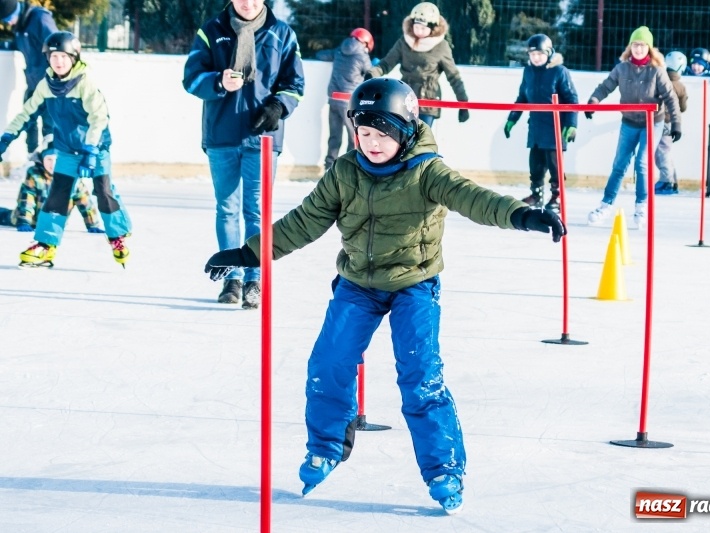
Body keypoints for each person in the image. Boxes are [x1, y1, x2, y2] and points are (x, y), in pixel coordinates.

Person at [202, 78, 566, 514]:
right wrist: (249, 253)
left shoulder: (427, 171)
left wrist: (524, 216)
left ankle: (445, 469)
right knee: (328, 363)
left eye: (382, 133)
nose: (371, 143)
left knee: (420, 375)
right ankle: (326, 446)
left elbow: (475, 199)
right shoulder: (346, 172)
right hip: (358, 283)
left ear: (405, 131)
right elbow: (305, 221)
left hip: (414, 284)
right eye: (364, 132)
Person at [183, 0, 304, 309]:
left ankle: (254, 279)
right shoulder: (212, 30)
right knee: (227, 208)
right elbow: (191, 78)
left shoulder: (281, 33)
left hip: (262, 138)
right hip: (221, 135)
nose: (247, 3)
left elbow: (295, 84)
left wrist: (278, 106)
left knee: (257, 210)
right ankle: (231, 278)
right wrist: (218, 82)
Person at [0, 31, 132, 269]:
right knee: (57, 195)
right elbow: (27, 113)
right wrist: (7, 137)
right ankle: (45, 244)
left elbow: (99, 117)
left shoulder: (84, 82)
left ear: (73, 57)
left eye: (63, 56)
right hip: (67, 149)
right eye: (53, 56)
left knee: (103, 191)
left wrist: (91, 150)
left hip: (96, 147)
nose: (58, 61)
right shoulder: (46, 85)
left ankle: (117, 237)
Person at [584, 26, 681, 229]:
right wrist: (593, 101)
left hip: (652, 122)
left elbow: (671, 97)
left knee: (642, 163)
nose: (638, 49)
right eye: (635, 45)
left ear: (649, 48)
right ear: (630, 47)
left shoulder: (657, 71)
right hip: (629, 122)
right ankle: (605, 205)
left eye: (643, 45)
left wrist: (676, 124)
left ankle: (641, 206)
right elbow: (605, 86)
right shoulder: (622, 68)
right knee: (619, 164)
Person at [503, 33, 579, 213]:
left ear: (549, 53)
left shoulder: (559, 71)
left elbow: (572, 99)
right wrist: (512, 119)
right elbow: (522, 98)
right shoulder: (528, 72)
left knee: (555, 166)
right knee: (535, 165)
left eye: (540, 54)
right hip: (536, 128)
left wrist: (572, 124)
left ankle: (557, 196)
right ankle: (536, 195)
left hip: (555, 129)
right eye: (532, 54)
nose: (536, 58)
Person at [365, 2, 469, 127]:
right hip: (405, 98)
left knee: (421, 137)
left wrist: (463, 103)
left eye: (423, 28)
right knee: (403, 137)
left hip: (428, 102)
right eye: (416, 27)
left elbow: (453, 76)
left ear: (433, 28)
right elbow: (386, 64)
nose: (419, 31)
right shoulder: (404, 42)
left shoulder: (441, 46)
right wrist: (372, 74)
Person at [0, 137, 103, 233]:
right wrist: (24, 221)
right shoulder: (34, 174)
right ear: (42, 159)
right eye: (49, 159)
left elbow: (84, 201)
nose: (53, 164)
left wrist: (92, 224)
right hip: (28, 219)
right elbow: (27, 199)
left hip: (54, 223)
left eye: (57, 160)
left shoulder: (71, 178)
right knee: (4, 215)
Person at [0, 0, 57, 158]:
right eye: (5, 20)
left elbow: (56, 43)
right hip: (33, 84)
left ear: (16, 11)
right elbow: (17, 45)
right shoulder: (20, 27)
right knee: (29, 122)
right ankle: (32, 158)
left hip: (49, 84)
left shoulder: (39, 18)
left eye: (9, 18)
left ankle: (50, 161)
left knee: (49, 125)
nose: (9, 23)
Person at [316, 28, 374, 170]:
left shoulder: (339, 50)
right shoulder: (362, 56)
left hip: (334, 99)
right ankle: (348, 168)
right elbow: (371, 72)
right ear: (366, 43)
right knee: (353, 137)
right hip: (349, 102)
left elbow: (322, 55)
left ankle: (329, 166)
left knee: (334, 136)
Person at [654, 51, 689, 195]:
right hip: (670, 122)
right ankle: (672, 182)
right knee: (665, 151)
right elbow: (683, 108)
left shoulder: (659, 80)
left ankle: (666, 182)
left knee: (661, 152)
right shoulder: (680, 86)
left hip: (660, 121)